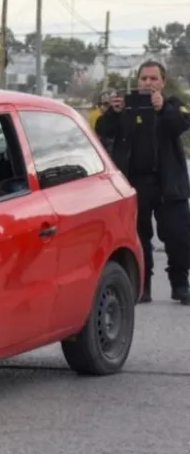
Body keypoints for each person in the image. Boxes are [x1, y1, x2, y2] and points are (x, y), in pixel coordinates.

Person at [95, 60, 190, 305]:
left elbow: (181, 124)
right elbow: (103, 131)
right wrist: (113, 112)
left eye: (153, 79)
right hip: (136, 184)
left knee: (179, 236)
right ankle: (143, 286)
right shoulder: (126, 107)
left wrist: (162, 109)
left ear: (162, 82)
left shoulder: (172, 105)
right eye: (144, 78)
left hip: (169, 184)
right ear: (137, 81)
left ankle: (180, 285)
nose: (148, 83)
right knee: (139, 237)